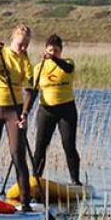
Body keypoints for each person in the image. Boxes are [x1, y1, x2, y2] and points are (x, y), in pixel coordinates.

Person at [0, 24, 36, 211]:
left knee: (18, 154)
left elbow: (31, 91)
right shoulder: (0, 53)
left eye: (26, 44)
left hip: (15, 111)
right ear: (13, 40)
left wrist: (25, 114)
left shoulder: (26, 62)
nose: (23, 48)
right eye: (20, 44)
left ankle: (25, 203)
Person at [25, 34, 81, 186]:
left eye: (56, 50)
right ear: (45, 50)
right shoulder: (39, 67)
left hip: (66, 110)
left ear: (60, 51)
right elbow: (32, 90)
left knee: (68, 145)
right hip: (46, 110)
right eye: (50, 50)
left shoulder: (67, 63)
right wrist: (25, 112)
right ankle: (35, 180)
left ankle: (75, 181)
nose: (52, 53)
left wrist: (53, 58)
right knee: (40, 146)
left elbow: (68, 68)